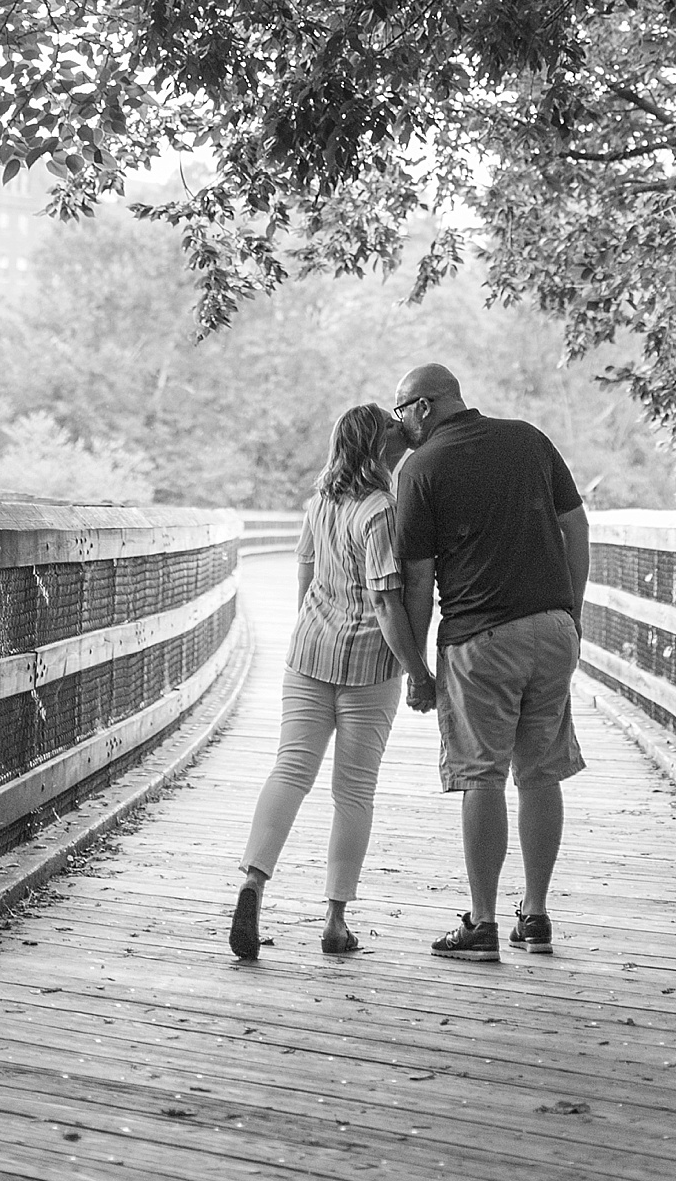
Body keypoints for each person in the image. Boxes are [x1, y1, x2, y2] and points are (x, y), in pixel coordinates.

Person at [391, 361, 589, 961]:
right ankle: (535, 915)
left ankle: (481, 924)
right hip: (553, 630)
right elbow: (576, 526)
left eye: (402, 410)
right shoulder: (528, 438)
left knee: (481, 777)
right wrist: (570, 612)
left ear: (425, 406)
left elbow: (419, 580)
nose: (400, 423)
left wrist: (418, 669)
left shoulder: (420, 468)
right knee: (541, 772)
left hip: (480, 641)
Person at [229, 402, 435, 960]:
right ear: (377, 446)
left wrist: (307, 635)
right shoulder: (382, 512)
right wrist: (419, 673)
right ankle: (335, 922)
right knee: (354, 791)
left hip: (309, 655)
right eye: (393, 431)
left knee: (289, 770)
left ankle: (253, 881)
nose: (401, 435)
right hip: (369, 664)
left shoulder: (319, 502)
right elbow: (387, 602)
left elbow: (304, 573)